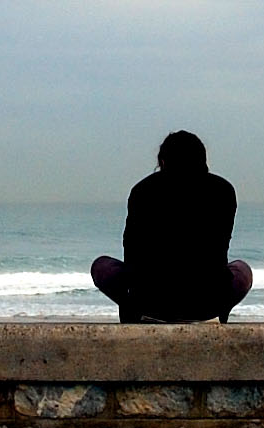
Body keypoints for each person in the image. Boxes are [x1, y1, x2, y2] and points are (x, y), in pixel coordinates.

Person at [91, 130, 253, 323]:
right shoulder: (223, 190)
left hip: (151, 302)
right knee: (242, 271)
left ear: (163, 161)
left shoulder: (143, 190)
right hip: (206, 303)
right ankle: (218, 316)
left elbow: (132, 250)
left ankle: (139, 313)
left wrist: (132, 304)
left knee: (101, 266)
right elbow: (219, 250)